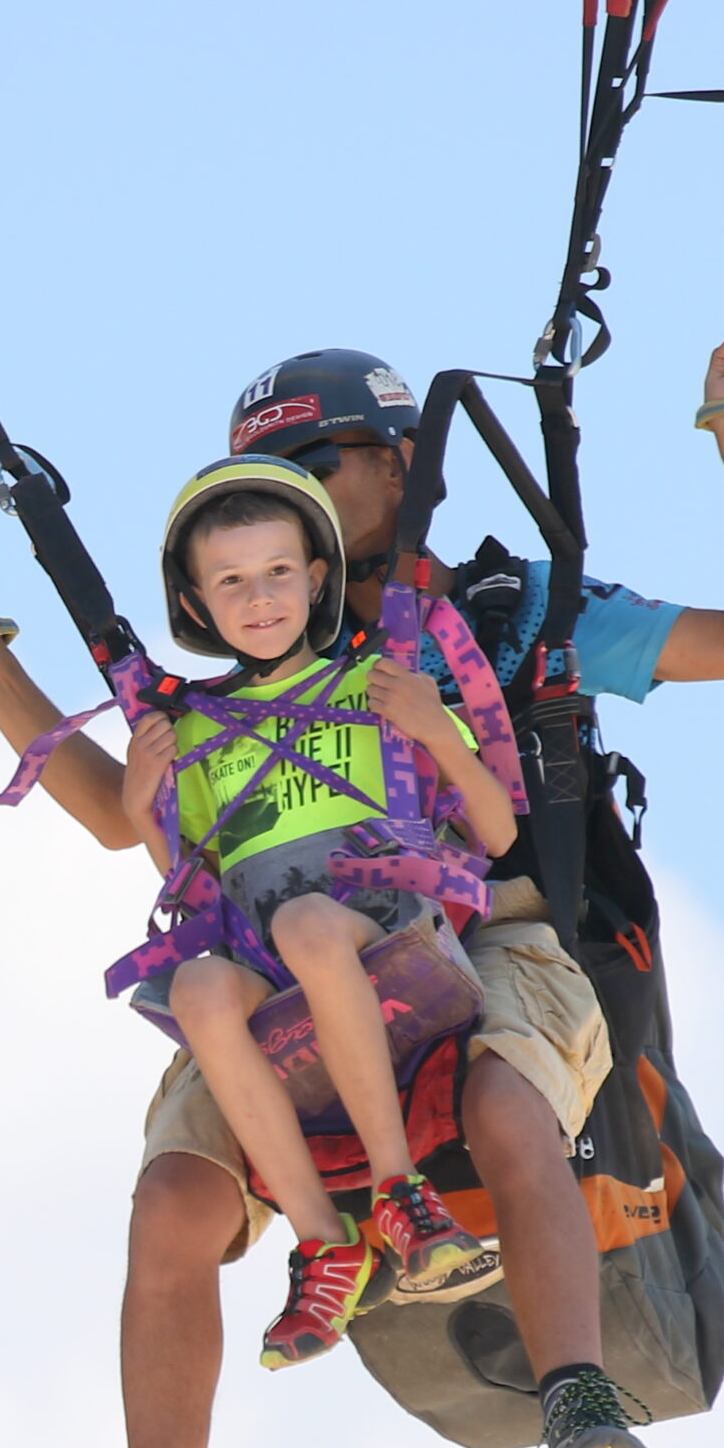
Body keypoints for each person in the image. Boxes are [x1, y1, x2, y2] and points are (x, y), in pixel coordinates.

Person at [0, 319, 724, 1448]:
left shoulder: (505, 615)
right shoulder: (231, 675)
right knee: (171, 1200)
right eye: (262, 494)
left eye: (319, 467)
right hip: (283, 971)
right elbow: (116, 811)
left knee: (502, 1102)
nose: (292, 510)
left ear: (397, 466)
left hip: (485, 935)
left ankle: (580, 1413)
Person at [125, 458, 515, 1372]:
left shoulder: (374, 682)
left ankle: (399, 1192)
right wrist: (144, 801)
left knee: (306, 924)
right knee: (198, 988)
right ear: (197, 603)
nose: (259, 597)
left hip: (393, 938)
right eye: (231, 581)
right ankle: (323, 1241)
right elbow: (193, 884)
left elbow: (495, 832)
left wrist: (435, 728)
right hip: (278, 965)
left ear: (316, 579)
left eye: (277, 572)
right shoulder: (195, 729)